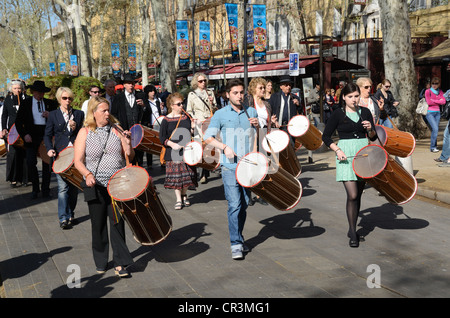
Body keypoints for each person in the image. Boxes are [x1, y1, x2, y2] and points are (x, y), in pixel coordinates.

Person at [73, 96, 134, 277]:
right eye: (104, 110)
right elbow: (77, 161)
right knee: (98, 224)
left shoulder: (117, 130)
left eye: (108, 110)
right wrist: (88, 174)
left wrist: (128, 143)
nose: (108, 113)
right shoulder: (84, 132)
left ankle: (120, 263)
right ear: (94, 113)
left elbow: (128, 155)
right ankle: (100, 261)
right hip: (95, 185)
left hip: (116, 184)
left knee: (117, 223)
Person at [204, 79, 259, 260]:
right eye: (235, 93)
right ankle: (235, 243)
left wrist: (258, 127)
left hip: (247, 166)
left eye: (241, 92)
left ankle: (239, 237)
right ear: (228, 95)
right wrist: (224, 147)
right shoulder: (220, 114)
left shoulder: (251, 111)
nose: (239, 96)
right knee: (234, 205)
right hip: (229, 167)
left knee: (243, 205)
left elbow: (257, 136)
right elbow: (208, 137)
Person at [322, 83, 379, 248]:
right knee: (352, 195)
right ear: (344, 98)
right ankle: (353, 232)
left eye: (356, 96)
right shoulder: (338, 114)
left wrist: (371, 130)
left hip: (363, 153)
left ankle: (352, 227)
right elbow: (326, 136)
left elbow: (374, 137)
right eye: (350, 97)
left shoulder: (365, 112)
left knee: (359, 195)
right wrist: (337, 150)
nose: (354, 99)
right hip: (345, 155)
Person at [44, 87, 84, 229]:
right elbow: (47, 134)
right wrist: (49, 149)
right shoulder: (53, 115)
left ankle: (70, 213)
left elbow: (83, 134)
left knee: (73, 188)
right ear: (59, 99)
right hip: (60, 155)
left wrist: (76, 127)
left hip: (76, 154)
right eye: (64, 98)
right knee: (62, 188)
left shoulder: (79, 114)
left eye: (70, 98)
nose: (67, 101)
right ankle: (63, 218)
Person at [15, 80, 58, 199]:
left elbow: (58, 119)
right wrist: (24, 135)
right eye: (38, 92)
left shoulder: (51, 104)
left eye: (42, 93)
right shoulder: (26, 103)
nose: (40, 95)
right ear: (33, 92)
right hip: (31, 136)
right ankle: (35, 188)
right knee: (30, 162)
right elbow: (18, 122)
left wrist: (50, 115)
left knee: (47, 163)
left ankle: (45, 189)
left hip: (46, 136)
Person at [159, 92, 197, 210]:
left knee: (187, 175)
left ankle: (184, 194)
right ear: (172, 105)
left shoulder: (187, 116)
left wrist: (192, 127)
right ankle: (178, 199)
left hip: (187, 150)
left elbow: (191, 134)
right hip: (172, 152)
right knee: (176, 177)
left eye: (182, 103)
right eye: (179, 104)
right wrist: (172, 144)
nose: (182, 105)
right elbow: (162, 138)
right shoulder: (166, 120)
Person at [244, 77, 276, 206]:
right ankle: (248, 193)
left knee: (262, 165)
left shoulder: (267, 104)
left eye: (264, 87)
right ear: (253, 89)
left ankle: (260, 194)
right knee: (250, 164)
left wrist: (272, 123)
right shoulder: (248, 101)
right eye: (260, 88)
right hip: (250, 135)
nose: (263, 90)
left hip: (263, 135)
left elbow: (267, 121)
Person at [186, 72, 217, 184]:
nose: (203, 83)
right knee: (200, 147)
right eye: (200, 81)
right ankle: (199, 171)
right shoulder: (192, 95)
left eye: (204, 80)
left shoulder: (210, 92)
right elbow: (189, 111)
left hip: (209, 121)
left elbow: (215, 107)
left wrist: (212, 102)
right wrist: (194, 119)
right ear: (196, 82)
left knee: (208, 147)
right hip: (199, 123)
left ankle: (205, 173)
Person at [110, 73, 148, 166]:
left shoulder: (141, 96)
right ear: (124, 85)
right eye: (128, 83)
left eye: (132, 83)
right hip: (124, 133)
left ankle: (140, 176)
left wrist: (143, 106)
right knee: (127, 157)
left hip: (138, 132)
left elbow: (148, 112)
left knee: (139, 158)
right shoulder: (118, 98)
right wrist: (120, 130)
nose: (131, 85)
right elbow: (114, 116)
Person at [0, 80, 28, 187]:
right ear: (12, 89)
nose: (17, 90)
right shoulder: (7, 100)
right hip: (11, 131)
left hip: (24, 130)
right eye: (15, 88)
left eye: (19, 88)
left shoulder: (28, 99)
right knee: (12, 154)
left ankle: (25, 178)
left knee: (25, 155)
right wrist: (3, 129)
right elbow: (4, 116)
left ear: (22, 89)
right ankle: (12, 178)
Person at [143, 84, 167, 169]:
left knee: (161, 143)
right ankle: (149, 164)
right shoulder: (145, 102)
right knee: (150, 144)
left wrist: (162, 108)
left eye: (153, 91)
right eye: (150, 91)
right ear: (147, 93)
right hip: (150, 124)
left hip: (159, 123)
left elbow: (163, 112)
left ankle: (162, 161)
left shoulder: (158, 100)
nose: (153, 93)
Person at [423, 77, 446, 153]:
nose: (434, 85)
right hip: (429, 113)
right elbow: (429, 102)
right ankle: (432, 147)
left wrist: (434, 100)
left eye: (436, 83)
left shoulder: (440, 91)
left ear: (439, 84)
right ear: (431, 84)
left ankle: (434, 146)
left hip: (438, 113)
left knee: (434, 130)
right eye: (433, 83)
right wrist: (438, 100)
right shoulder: (427, 91)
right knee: (435, 129)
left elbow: (444, 102)